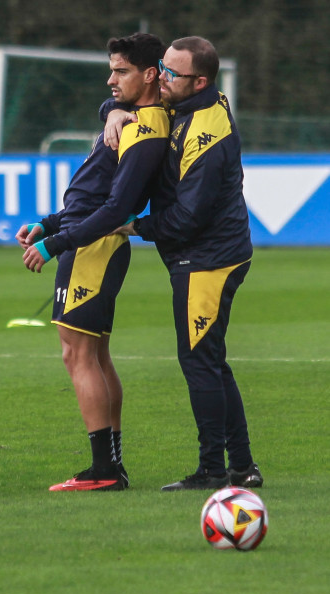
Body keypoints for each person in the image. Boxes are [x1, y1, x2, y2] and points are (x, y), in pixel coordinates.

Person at [107, 36, 263, 491]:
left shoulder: (206, 132)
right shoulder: (192, 102)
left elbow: (190, 216)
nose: (163, 78)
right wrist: (112, 111)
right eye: (162, 67)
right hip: (209, 253)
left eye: (172, 73)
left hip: (209, 259)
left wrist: (136, 227)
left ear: (200, 81)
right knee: (211, 361)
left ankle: (214, 469)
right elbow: (128, 93)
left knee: (198, 362)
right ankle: (243, 466)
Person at [15, 32, 169, 491]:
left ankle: (104, 470)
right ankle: (111, 465)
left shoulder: (145, 129)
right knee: (94, 354)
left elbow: (115, 209)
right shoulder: (128, 117)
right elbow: (94, 192)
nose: (110, 80)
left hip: (93, 247)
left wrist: (56, 243)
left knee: (77, 353)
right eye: (111, 69)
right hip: (86, 240)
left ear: (149, 74)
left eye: (120, 71)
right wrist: (51, 222)